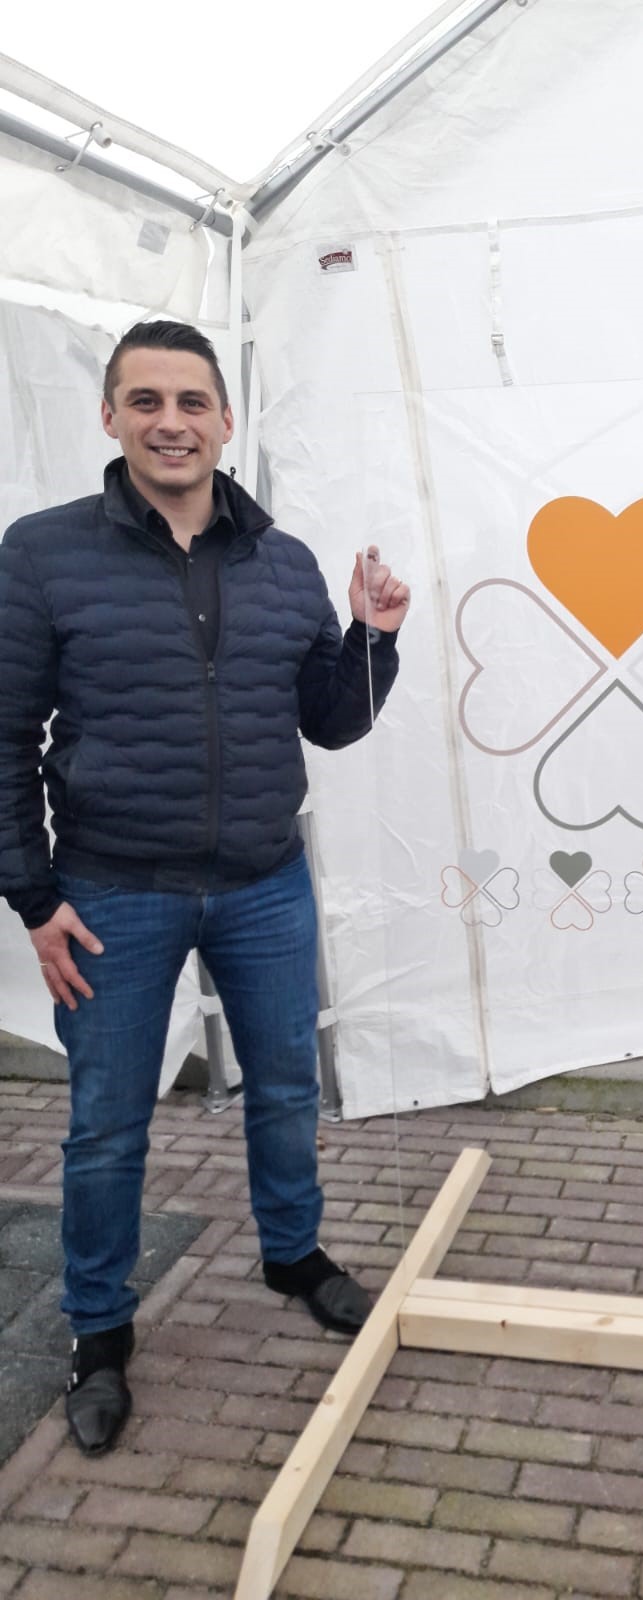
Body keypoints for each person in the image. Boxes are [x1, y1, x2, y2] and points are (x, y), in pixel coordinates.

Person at [0, 319, 411, 1458]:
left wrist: (374, 637)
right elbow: (4, 735)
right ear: (111, 417)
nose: (170, 422)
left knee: (285, 1088)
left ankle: (294, 1254)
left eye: (192, 402)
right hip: (110, 893)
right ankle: (97, 1329)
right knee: (105, 1128)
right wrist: (32, 897)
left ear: (228, 420)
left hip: (264, 887)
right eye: (146, 401)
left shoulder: (285, 561)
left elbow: (330, 721)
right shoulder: (41, 553)